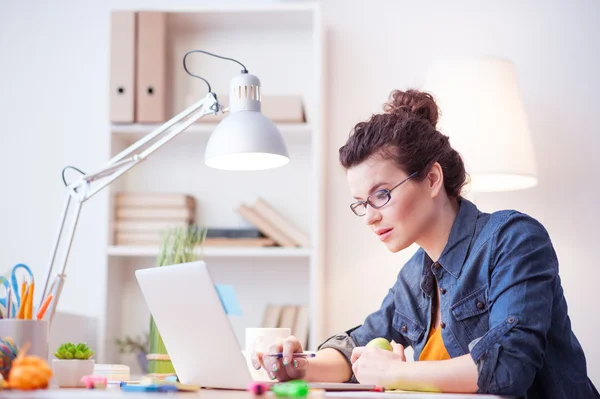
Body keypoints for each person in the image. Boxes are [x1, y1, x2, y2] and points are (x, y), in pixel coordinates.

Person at [251, 89, 599, 398]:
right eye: (361, 203)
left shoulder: (513, 239)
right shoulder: (413, 276)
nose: (370, 217)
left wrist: (392, 372)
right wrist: (298, 366)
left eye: (381, 195)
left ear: (432, 179)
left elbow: (508, 367)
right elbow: (355, 349)